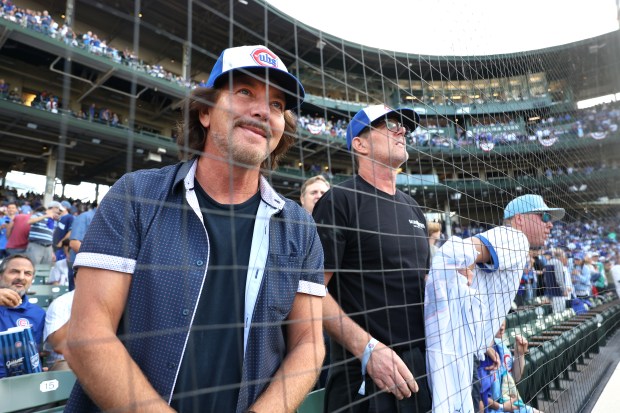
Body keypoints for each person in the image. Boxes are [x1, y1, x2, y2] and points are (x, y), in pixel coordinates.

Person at [65, 45, 325, 413]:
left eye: (278, 105)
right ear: (204, 112)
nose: (263, 110)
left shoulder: (300, 226)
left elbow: (310, 344)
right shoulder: (137, 194)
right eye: (245, 92)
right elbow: (87, 335)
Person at [313, 104, 432, 412]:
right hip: (364, 373)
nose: (402, 130)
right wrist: (368, 350)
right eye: (390, 124)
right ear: (360, 143)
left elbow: (423, 283)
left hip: (419, 367)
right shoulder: (339, 200)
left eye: (403, 126)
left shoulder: (413, 207)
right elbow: (313, 292)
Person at [425, 193, 564, 413]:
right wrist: (464, 275)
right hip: (458, 357)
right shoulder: (516, 238)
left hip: (464, 352)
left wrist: (484, 341)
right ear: (519, 219)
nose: (550, 224)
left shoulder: (517, 244)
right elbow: (456, 252)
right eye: (544, 216)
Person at [479, 321, 543, 413]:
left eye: (502, 317)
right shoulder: (479, 353)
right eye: (497, 320)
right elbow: (477, 397)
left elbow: (515, 377)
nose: (502, 326)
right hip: (493, 409)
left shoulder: (501, 345)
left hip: (508, 404)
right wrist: (502, 407)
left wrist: (519, 354)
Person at [0, 254, 45, 378]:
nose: (21, 277)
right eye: (14, 271)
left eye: (27, 273)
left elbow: (39, 353)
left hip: (22, 382)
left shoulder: (38, 314)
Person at [26, 201, 64, 266]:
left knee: (45, 270)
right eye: (59, 209)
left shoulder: (54, 221)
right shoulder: (39, 215)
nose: (59, 212)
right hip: (36, 245)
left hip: (48, 247)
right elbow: (29, 221)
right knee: (32, 268)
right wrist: (46, 216)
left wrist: (51, 251)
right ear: (54, 208)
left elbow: (50, 237)